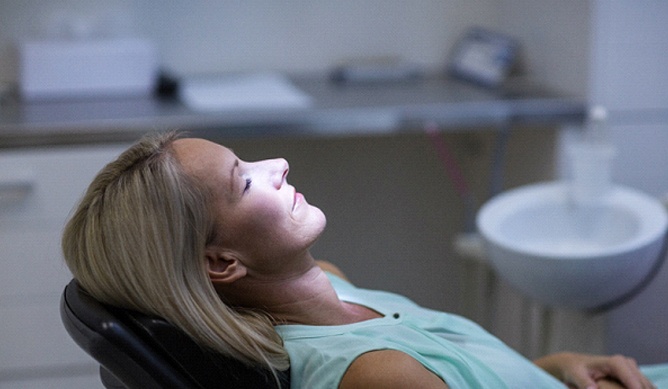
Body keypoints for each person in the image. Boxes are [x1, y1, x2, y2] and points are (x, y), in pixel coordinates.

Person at [62, 131, 664, 388]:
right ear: (222, 263)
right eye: (245, 182)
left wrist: (560, 365)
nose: (278, 165)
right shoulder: (375, 375)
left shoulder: (330, 286)